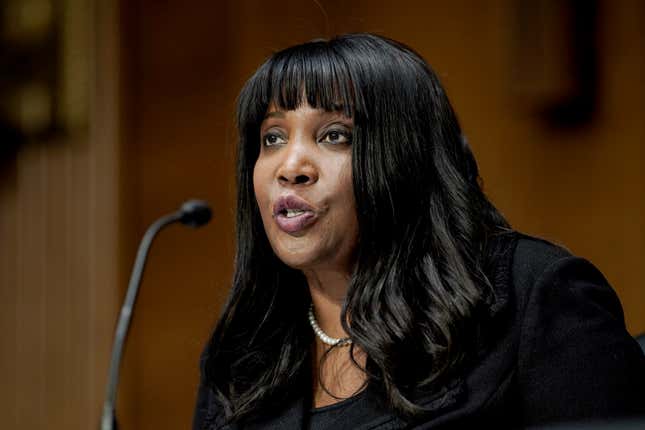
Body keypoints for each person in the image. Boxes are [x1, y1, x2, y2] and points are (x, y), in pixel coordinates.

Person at [193, 33, 645, 429]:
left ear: (405, 158)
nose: (290, 167)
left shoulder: (530, 298)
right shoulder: (243, 351)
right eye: (272, 137)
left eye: (334, 135)